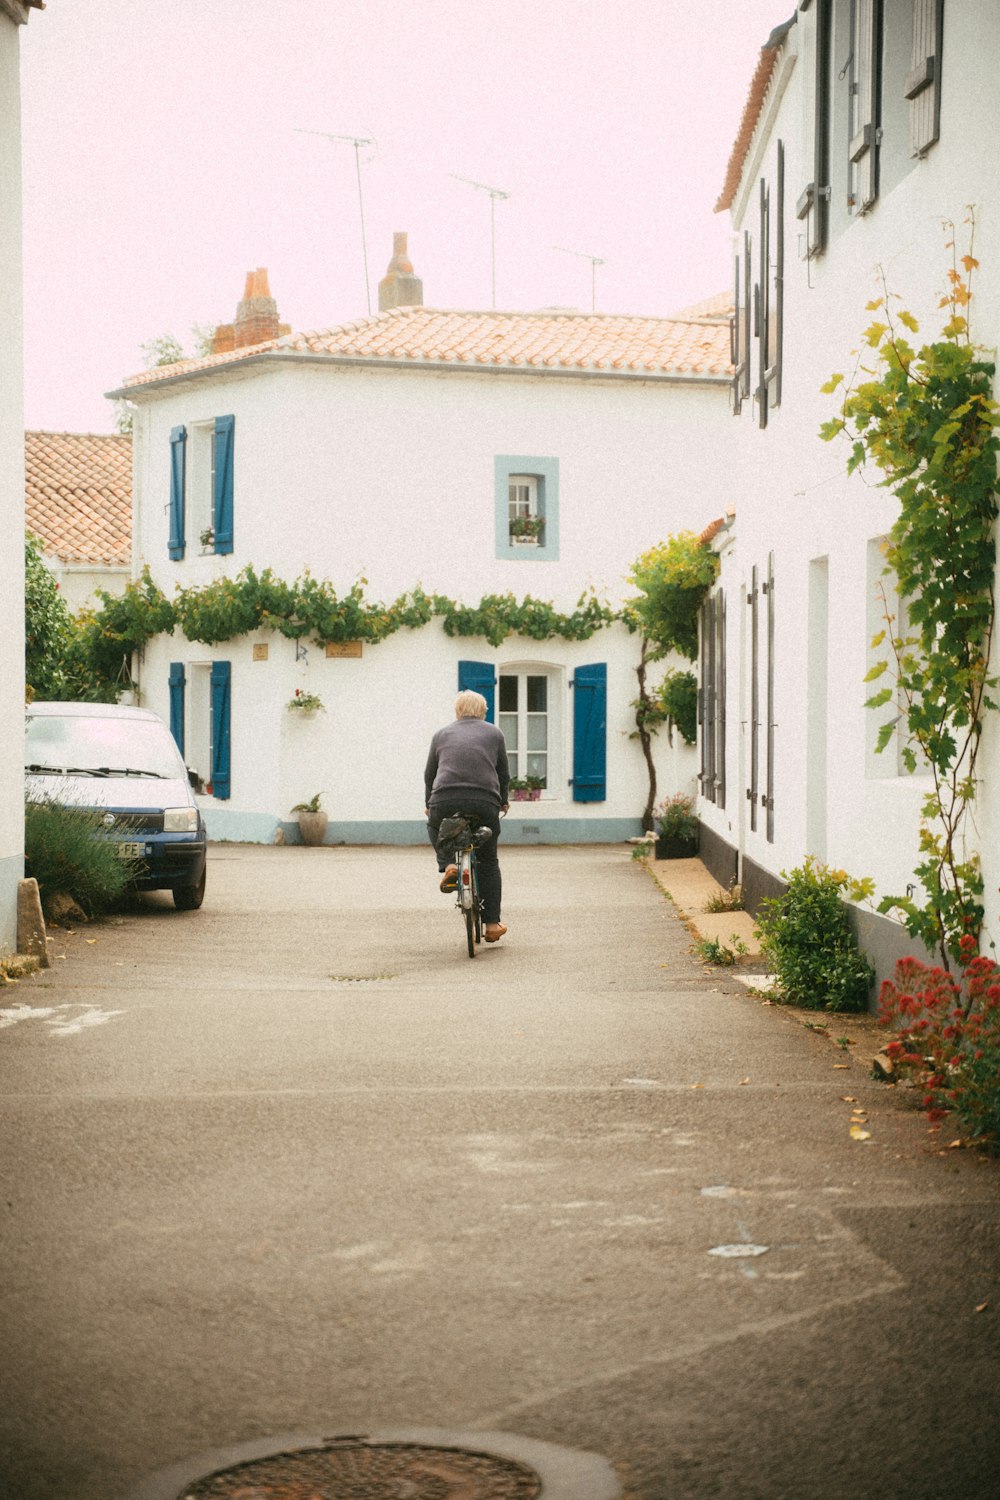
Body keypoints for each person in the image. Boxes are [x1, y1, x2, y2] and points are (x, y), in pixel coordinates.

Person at [424, 689, 509, 942]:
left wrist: (430, 805)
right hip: (484, 801)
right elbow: (503, 773)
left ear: (457, 712)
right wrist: (503, 801)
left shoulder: (441, 734)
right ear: (483, 712)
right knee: (489, 860)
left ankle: (449, 864)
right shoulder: (494, 732)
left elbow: (430, 774)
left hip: (445, 798)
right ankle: (492, 924)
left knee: (433, 825)